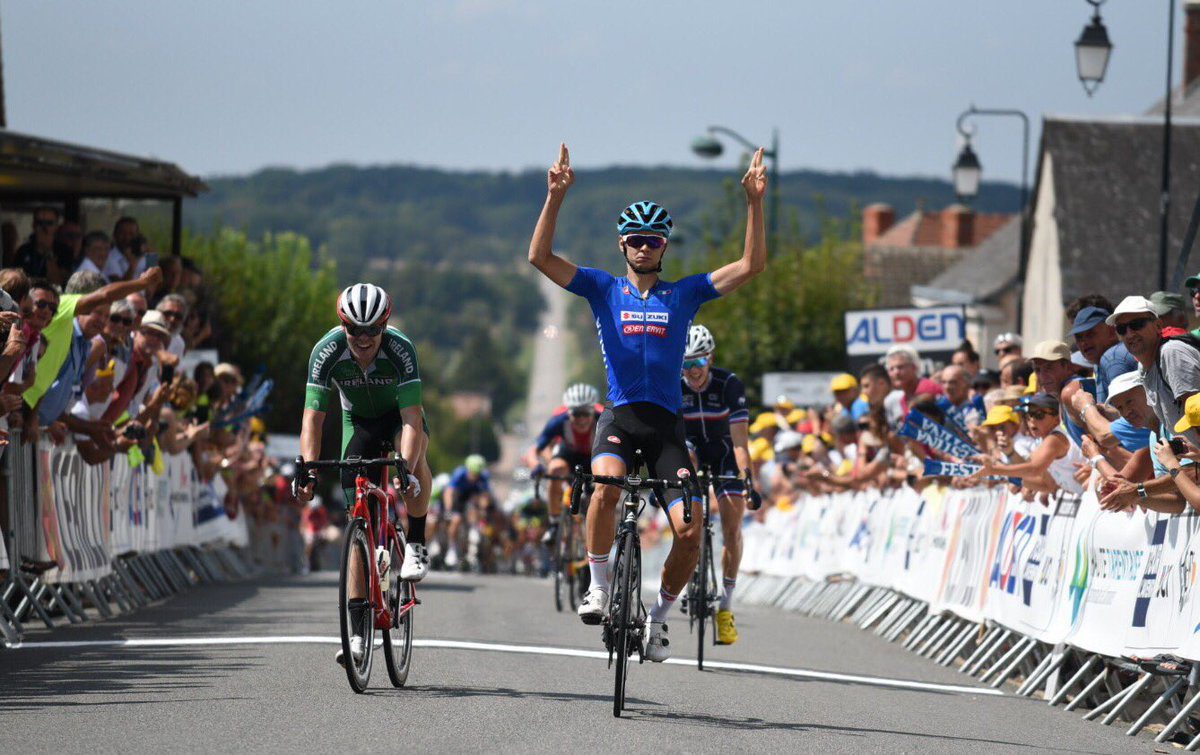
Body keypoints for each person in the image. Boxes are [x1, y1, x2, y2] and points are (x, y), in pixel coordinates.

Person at [527, 143, 767, 662]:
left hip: (665, 428)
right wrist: (555, 197)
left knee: (689, 528)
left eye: (652, 241)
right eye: (634, 240)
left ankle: (658, 617)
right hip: (619, 417)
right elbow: (539, 258)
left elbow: (751, 265)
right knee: (605, 489)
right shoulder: (601, 287)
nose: (642, 248)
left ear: (663, 247)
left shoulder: (683, 294)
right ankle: (597, 583)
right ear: (622, 245)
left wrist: (753, 203)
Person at [295, 283, 433, 667]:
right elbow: (314, 418)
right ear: (343, 325)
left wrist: (404, 468)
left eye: (373, 329)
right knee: (357, 521)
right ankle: (358, 633)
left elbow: (409, 419)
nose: (364, 338)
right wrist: (307, 467)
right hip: (359, 422)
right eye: (355, 329)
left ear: (385, 325)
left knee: (416, 456)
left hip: (398, 419)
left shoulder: (401, 349)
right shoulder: (325, 352)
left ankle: (418, 541)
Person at [679, 324, 753, 645]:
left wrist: (747, 478)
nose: (692, 371)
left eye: (698, 362)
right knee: (685, 513)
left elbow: (739, 442)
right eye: (685, 364)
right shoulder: (672, 385)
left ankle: (725, 607)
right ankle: (687, 575)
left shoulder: (728, 384)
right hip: (691, 448)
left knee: (732, 526)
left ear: (711, 358)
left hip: (724, 452)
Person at [524, 383, 602, 548]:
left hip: (593, 457)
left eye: (586, 413)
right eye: (576, 414)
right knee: (554, 470)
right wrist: (536, 466)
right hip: (569, 455)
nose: (581, 419)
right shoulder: (559, 421)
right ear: (568, 412)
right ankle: (554, 524)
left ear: (593, 411)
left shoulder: (603, 418)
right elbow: (533, 450)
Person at [441, 454, 493, 569]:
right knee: (456, 520)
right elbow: (449, 492)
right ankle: (452, 548)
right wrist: (449, 509)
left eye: (477, 474)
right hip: (459, 497)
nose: (475, 477)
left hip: (473, 497)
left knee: (476, 514)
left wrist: (483, 510)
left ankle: (473, 544)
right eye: (473, 473)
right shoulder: (460, 474)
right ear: (468, 469)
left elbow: (485, 496)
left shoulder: (483, 477)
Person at [883, 345, 943, 429]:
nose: (896, 372)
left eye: (900, 367)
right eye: (891, 369)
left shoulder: (927, 388)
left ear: (914, 368)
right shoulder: (903, 399)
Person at [14, 206, 59, 279]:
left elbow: (58, 281)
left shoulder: (64, 250)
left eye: (49, 223)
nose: (44, 228)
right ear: (33, 225)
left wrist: (48, 251)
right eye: (40, 223)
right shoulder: (23, 251)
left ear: (56, 226)